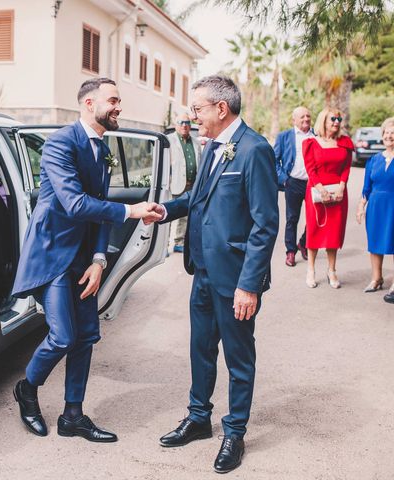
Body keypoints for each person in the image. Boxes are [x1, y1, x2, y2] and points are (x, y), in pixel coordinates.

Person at [11, 77, 161, 442]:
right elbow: (76, 204)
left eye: (119, 100)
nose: (119, 107)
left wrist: (99, 258)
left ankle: (73, 416)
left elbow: (98, 214)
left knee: (86, 338)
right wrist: (131, 209)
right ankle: (26, 390)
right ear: (89, 104)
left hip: (83, 258)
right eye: (113, 100)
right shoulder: (61, 143)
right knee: (63, 336)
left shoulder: (101, 149)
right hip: (54, 254)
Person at [150, 75, 278, 474]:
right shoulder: (211, 148)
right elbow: (197, 198)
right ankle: (198, 418)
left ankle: (234, 432)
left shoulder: (254, 150)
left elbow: (265, 225)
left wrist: (249, 285)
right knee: (200, 350)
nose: (192, 116)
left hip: (236, 279)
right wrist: (166, 210)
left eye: (198, 108)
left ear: (221, 109)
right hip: (202, 272)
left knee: (239, 358)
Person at [302, 108, 354, 288]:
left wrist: (342, 186)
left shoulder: (345, 142)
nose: (337, 122)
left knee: (334, 231)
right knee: (315, 230)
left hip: (339, 192)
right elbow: (311, 169)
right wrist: (321, 190)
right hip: (317, 192)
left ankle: (332, 270)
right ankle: (311, 270)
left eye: (339, 118)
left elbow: (346, 167)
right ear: (323, 120)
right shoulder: (311, 142)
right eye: (333, 118)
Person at [356, 117, 394, 304]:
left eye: (393, 133)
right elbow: (366, 188)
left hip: (393, 205)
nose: (390, 136)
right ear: (382, 136)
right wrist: (361, 207)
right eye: (387, 132)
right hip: (376, 207)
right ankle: (376, 278)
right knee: (375, 243)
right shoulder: (373, 160)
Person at [274, 106, 314, 266]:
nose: (306, 119)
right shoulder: (284, 136)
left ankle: (303, 243)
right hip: (292, 182)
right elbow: (274, 160)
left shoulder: (316, 136)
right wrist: (284, 179)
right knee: (292, 218)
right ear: (294, 120)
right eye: (302, 117)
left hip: (312, 183)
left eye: (308, 116)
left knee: (313, 219)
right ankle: (290, 251)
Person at [167, 113, 202, 253]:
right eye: (181, 122)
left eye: (187, 122)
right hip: (173, 185)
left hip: (191, 185)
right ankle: (163, 246)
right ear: (176, 124)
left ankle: (179, 242)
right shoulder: (168, 140)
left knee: (185, 216)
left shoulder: (196, 142)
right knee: (168, 214)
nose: (184, 125)